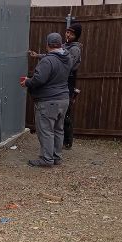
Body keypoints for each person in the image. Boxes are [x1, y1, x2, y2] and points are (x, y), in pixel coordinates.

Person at [20, 32, 71, 167]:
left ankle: (46, 159)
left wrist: (27, 82)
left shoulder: (47, 61)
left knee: (46, 131)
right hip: (63, 99)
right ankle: (56, 157)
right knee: (58, 130)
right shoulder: (67, 57)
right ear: (60, 44)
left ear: (47, 44)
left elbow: (39, 79)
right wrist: (39, 56)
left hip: (49, 101)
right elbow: (54, 58)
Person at [63, 22, 83, 149]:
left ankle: (67, 141)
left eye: (71, 33)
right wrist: (38, 55)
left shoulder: (75, 49)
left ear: (76, 36)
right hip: (63, 81)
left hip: (68, 82)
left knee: (65, 112)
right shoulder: (65, 45)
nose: (67, 34)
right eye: (67, 32)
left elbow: (68, 65)